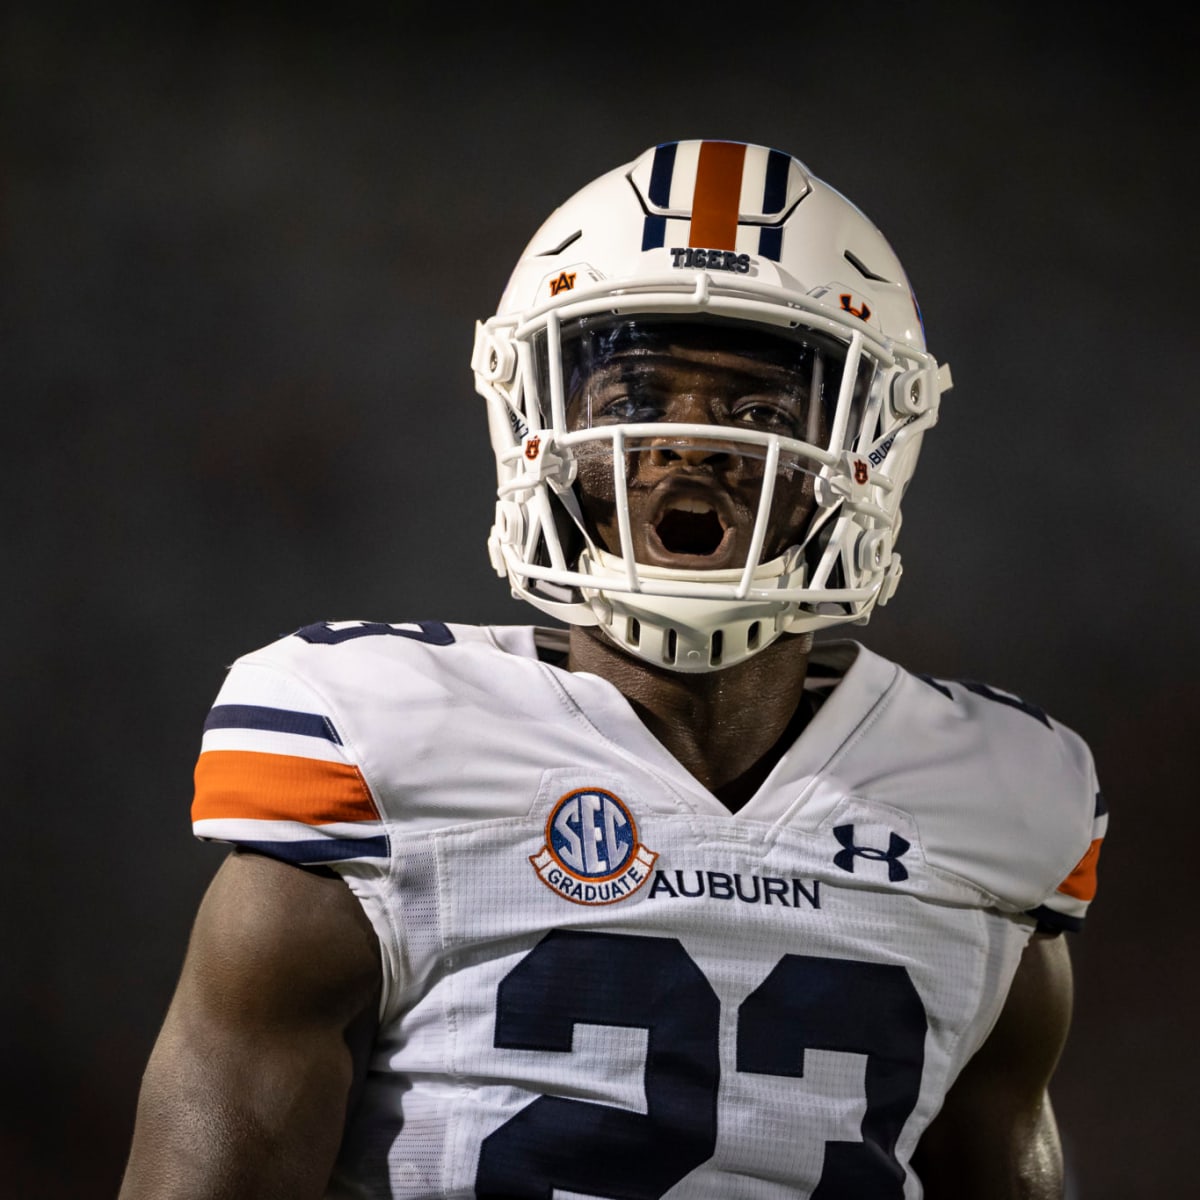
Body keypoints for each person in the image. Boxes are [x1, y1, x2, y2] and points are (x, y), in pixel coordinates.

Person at [120, 139, 1106, 1199]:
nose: (692, 446)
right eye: (636, 397)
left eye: (763, 413)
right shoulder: (372, 748)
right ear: (536, 422)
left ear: (874, 445)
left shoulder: (998, 804)